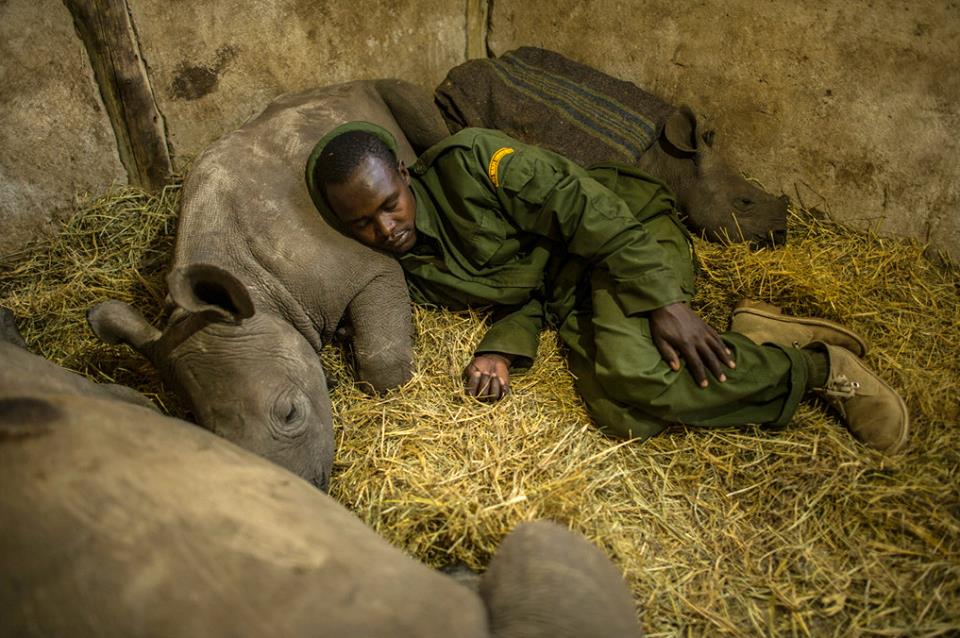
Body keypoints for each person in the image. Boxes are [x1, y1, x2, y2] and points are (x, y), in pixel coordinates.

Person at [305, 121, 909, 454]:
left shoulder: (473, 163)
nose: (386, 228)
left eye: (391, 204)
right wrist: (502, 347)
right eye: (361, 221)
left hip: (627, 234)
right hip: (574, 285)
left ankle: (817, 368)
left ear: (405, 176)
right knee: (624, 416)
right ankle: (751, 335)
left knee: (636, 373)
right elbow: (524, 292)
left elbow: (583, 204)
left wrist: (664, 301)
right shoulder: (406, 268)